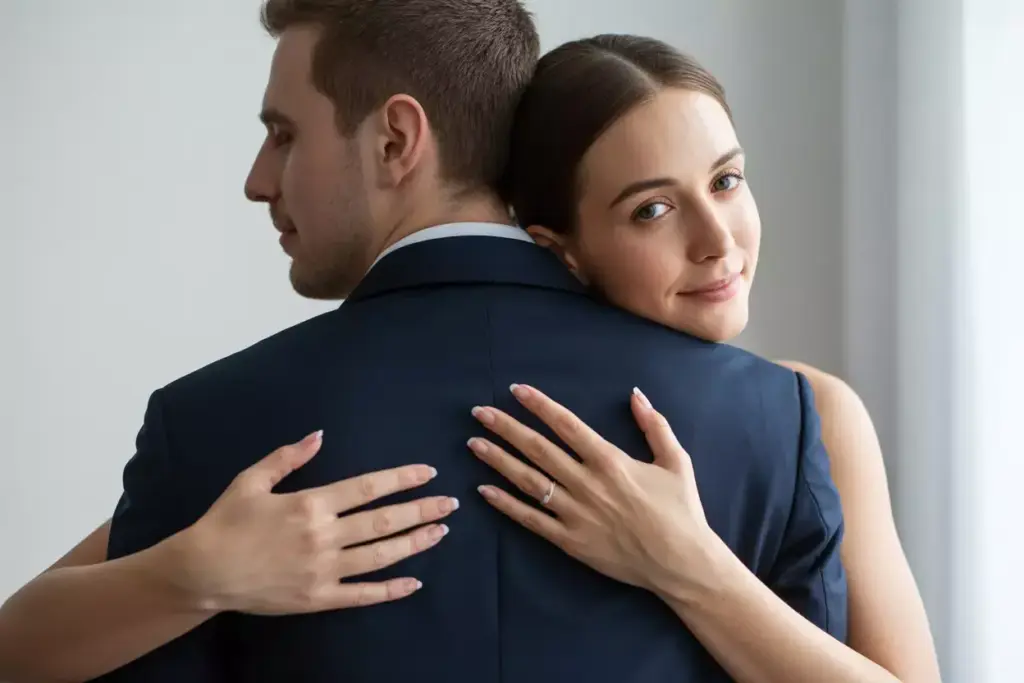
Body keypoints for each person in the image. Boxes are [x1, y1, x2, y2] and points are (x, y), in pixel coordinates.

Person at [0, 4, 866, 683]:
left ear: (396, 139)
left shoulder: (214, 424)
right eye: (654, 204)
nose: (259, 179)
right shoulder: (773, 422)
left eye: (285, 132)